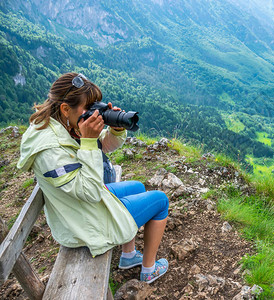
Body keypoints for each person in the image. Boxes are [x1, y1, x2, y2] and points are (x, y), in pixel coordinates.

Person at [17, 72, 169, 283]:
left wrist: (115, 130)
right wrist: (88, 141)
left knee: (137, 186)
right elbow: (90, 192)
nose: (92, 113)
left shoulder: (62, 125)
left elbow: (102, 148)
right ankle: (149, 269)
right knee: (161, 200)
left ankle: (128, 255)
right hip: (83, 222)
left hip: (78, 205)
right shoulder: (50, 150)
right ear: (65, 108)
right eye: (87, 108)